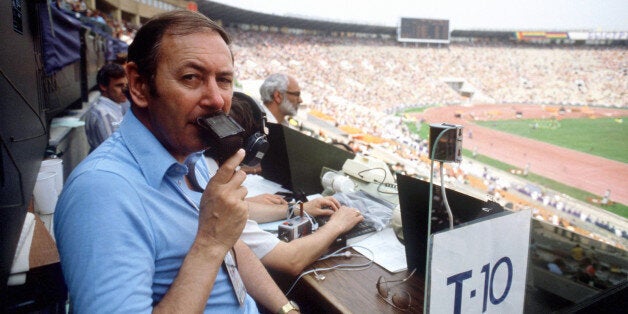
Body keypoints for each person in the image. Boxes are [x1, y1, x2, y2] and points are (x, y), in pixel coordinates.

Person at [54, 10, 298, 313]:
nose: (217, 100)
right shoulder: (101, 192)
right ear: (140, 85)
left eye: (223, 80)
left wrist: (287, 309)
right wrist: (208, 243)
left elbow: (234, 247)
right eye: (191, 77)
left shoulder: (190, 155)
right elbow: (216, 243)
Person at [206, 91, 364, 276]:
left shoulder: (202, 168)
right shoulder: (211, 180)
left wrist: (296, 209)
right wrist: (337, 225)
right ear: (254, 147)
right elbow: (290, 259)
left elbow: (234, 209)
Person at [84, 63, 130, 151]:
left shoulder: (111, 108)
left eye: (126, 85)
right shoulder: (104, 113)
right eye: (119, 85)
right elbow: (114, 150)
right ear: (103, 86)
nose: (124, 89)